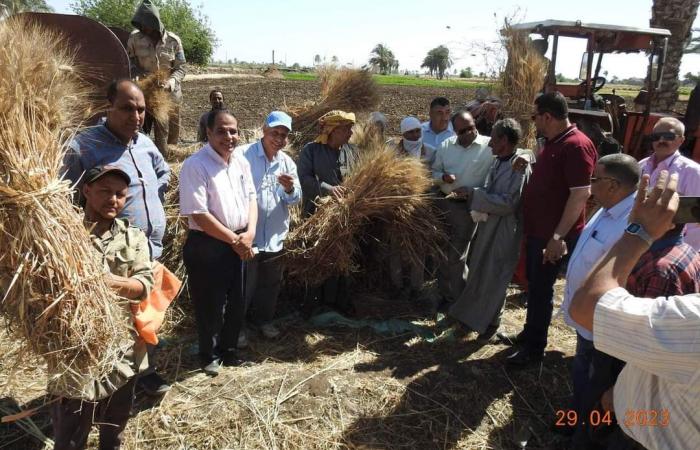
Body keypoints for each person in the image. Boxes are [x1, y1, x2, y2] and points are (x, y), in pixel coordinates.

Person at [570, 170, 700, 450]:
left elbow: (590, 309)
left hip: (644, 431)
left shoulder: (662, 268)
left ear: (665, 222)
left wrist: (638, 229)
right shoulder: (687, 254)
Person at [63, 79, 171, 395]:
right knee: (113, 321)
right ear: (108, 106)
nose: (135, 116)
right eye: (127, 108)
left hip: (149, 248)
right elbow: (66, 195)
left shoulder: (145, 143)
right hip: (111, 252)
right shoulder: (84, 145)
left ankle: (143, 373)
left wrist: (151, 208)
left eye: (140, 109)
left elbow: (162, 176)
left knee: (145, 315)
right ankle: (105, 385)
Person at [50, 165, 154, 450]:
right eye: (105, 191)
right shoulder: (62, 236)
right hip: (74, 351)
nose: (113, 200)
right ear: (86, 191)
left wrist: (103, 282)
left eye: (120, 194)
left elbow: (144, 285)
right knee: (71, 434)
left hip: (122, 349)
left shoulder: (133, 237)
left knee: (114, 427)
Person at [499, 92, 597, 367]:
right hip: (540, 232)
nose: (535, 122)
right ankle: (530, 333)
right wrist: (531, 162)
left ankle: (534, 350)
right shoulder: (555, 142)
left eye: (536, 117)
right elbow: (554, 179)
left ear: (548, 116)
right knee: (535, 288)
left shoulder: (576, 146)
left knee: (542, 290)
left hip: (553, 236)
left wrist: (557, 237)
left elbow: (580, 195)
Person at [557, 153, 640, 446]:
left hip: (602, 325)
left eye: (595, 179)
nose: (590, 185)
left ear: (614, 185)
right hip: (587, 321)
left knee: (597, 385)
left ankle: (585, 437)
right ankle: (575, 420)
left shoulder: (630, 224)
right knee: (582, 375)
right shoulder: (608, 208)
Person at [179, 109, 257, 376]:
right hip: (208, 244)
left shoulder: (240, 162)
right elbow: (199, 214)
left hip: (240, 241)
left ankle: (229, 350)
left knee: (237, 300)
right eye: (222, 131)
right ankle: (208, 353)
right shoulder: (195, 165)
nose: (229, 136)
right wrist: (235, 239)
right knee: (209, 303)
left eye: (233, 130)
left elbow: (251, 199)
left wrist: (249, 234)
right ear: (208, 132)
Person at [447, 118, 530, 341]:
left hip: (505, 230)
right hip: (489, 227)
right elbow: (490, 189)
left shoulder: (519, 166)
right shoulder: (500, 161)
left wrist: (475, 195)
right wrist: (472, 192)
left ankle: (491, 325)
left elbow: (509, 203)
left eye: (493, 138)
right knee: (481, 272)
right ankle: (476, 320)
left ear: (504, 140)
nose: (490, 143)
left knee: (496, 277)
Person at [239, 111, 301, 340]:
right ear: (264, 130)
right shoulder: (242, 155)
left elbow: (296, 199)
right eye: (275, 132)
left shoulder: (287, 163)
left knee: (270, 284)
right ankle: (238, 327)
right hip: (248, 235)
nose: (279, 138)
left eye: (284, 135)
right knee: (245, 284)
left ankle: (263, 321)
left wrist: (289, 189)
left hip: (275, 236)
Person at [431, 110, 493, 310]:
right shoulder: (446, 146)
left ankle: (459, 300)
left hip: (468, 208)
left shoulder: (489, 145)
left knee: (456, 256)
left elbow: (517, 154)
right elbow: (434, 173)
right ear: (455, 131)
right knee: (441, 253)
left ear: (475, 124)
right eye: (462, 130)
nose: (468, 133)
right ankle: (446, 295)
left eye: (471, 127)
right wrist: (443, 178)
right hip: (444, 203)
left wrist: (473, 192)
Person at [298, 110, 357, 314]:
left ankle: (339, 302)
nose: (351, 132)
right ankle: (313, 303)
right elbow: (304, 179)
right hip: (316, 214)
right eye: (346, 129)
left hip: (344, 216)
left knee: (341, 258)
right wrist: (328, 189)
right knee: (317, 257)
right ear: (332, 130)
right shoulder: (311, 151)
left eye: (351, 128)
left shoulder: (351, 151)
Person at [127, 0, 186, 154]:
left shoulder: (173, 41)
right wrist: (139, 77)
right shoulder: (134, 39)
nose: (144, 27)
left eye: (146, 23)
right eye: (140, 23)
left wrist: (171, 82)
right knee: (140, 131)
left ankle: (167, 163)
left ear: (155, 22)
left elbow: (181, 68)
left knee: (168, 136)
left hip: (170, 95)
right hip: (145, 93)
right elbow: (130, 64)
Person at [639, 117, 700, 250]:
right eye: (656, 136)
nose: (661, 140)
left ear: (681, 140)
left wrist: (683, 254)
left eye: (668, 136)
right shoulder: (642, 165)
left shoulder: (693, 172)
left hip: (669, 249)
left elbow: (695, 221)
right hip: (638, 241)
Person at [421, 97, 455, 164]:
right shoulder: (419, 132)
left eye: (447, 112)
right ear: (430, 114)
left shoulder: (456, 133)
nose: (444, 118)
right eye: (439, 113)